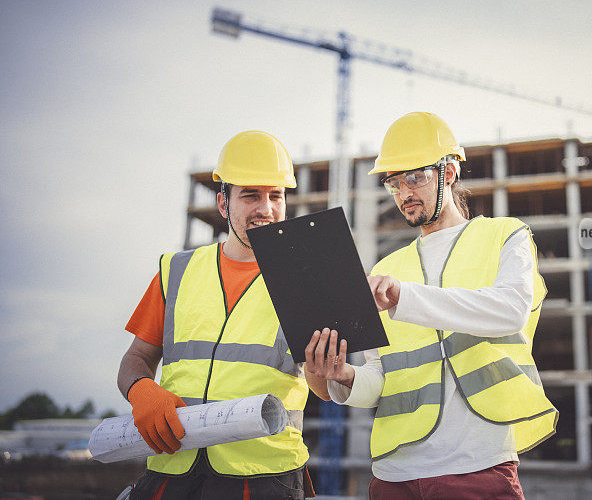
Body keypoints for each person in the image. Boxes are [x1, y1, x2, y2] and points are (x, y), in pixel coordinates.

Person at [304, 112, 558, 499]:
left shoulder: (504, 236)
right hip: (395, 473)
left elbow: (509, 310)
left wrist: (404, 297)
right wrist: (343, 376)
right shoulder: (387, 268)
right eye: (394, 183)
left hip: (477, 463)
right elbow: (381, 379)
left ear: (450, 172)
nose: (404, 193)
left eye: (415, 178)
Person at [118, 130, 313, 499]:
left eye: (276, 196)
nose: (266, 209)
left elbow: (327, 385)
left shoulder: (305, 278)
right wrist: (141, 390)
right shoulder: (176, 271)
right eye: (251, 195)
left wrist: (328, 374)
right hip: (173, 464)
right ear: (223, 204)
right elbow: (136, 358)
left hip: (263, 475)